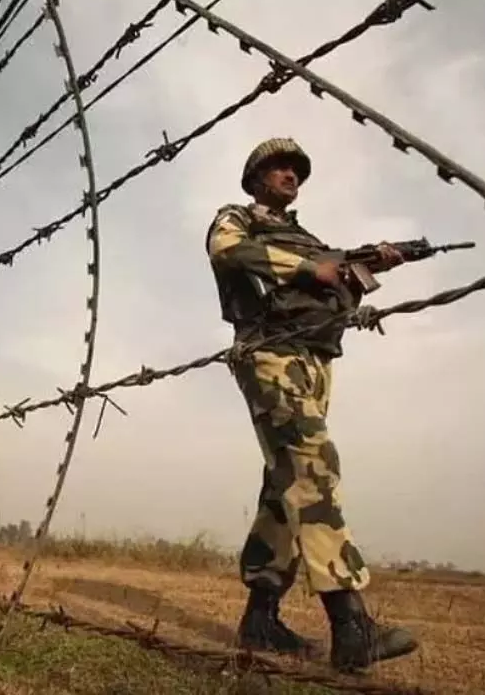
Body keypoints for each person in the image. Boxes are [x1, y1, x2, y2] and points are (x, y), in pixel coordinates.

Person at [204, 137, 419, 672]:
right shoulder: (237, 218)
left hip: (316, 359)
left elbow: (330, 293)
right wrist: (312, 268)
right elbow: (225, 250)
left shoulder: (308, 238)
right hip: (268, 352)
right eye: (278, 167)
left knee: (287, 484)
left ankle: (261, 619)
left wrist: (365, 271)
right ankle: (352, 626)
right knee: (315, 468)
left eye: (296, 169)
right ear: (255, 178)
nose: (289, 174)